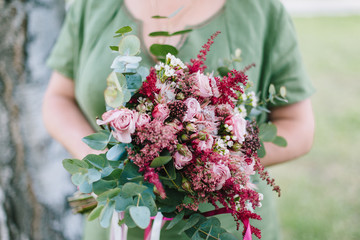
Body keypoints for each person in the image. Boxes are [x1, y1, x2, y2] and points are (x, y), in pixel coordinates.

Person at [42, 0, 315, 239]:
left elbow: (298, 126)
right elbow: (58, 99)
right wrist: (104, 165)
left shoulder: (263, 10)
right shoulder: (92, 5)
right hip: (118, 225)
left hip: (219, 229)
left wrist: (208, 166)